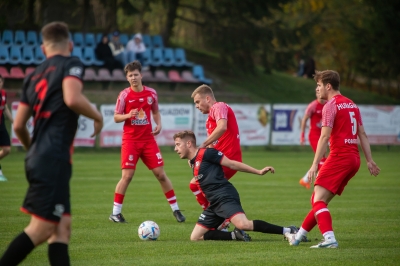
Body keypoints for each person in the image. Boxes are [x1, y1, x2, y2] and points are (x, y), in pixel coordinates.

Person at [0, 21, 103, 265]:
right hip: (53, 157)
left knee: (61, 229)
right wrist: (97, 116)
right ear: (70, 45)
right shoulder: (71, 63)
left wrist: (32, 150)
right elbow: (72, 97)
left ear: (43, 49)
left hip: (41, 156)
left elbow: (17, 126)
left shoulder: (33, 75)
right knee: (41, 229)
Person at [284, 70, 380, 248]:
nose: (317, 89)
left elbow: (324, 137)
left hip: (339, 157)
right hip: (354, 160)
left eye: (319, 85)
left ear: (328, 86)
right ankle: (298, 238)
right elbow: (362, 133)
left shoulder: (330, 105)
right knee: (320, 201)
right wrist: (369, 160)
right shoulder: (352, 104)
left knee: (317, 201)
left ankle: (329, 239)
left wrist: (314, 165)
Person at [173, 130, 300, 241]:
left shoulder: (207, 153)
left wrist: (259, 171)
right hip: (214, 204)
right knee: (195, 237)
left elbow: (232, 164)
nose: (175, 149)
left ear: (189, 143)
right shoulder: (194, 161)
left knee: (244, 224)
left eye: (178, 145)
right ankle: (234, 235)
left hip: (224, 196)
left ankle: (289, 230)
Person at [109, 60, 185, 223]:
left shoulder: (151, 93)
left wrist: (159, 124)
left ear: (141, 75)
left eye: (136, 74)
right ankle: (115, 213)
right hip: (131, 141)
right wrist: (128, 115)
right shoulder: (124, 95)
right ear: (127, 78)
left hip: (148, 140)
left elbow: (156, 112)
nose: (133, 78)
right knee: (127, 176)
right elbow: (116, 117)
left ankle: (176, 210)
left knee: (161, 175)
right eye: (130, 76)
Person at [191, 85, 242, 229]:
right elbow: (211, 148)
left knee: (196, 184)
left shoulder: (218, 107)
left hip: (228, 160)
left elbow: (222, 127)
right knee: (195, 185)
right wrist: (198, 158)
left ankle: (221, 219)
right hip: (219, 161)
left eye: (197, 102)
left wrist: (202, 145)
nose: (196, 106)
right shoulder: (209, 120)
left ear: (207, 98)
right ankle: (220, 218)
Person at [299, 90, 327, 189]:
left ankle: (305, 180)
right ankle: (321, 182)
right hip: (314, 135)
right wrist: (302, 135)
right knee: (323, 160)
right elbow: (304, 120)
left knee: (321, 159)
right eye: (317, 92)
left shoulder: (328, 105)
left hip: (324, 135)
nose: (319, 94)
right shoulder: (313, 105)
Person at [0, 75, 13, 181]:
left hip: (1, 124)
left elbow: (5, 108)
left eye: (0, 82)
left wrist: (13, 121)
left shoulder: (3, 93)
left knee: (7, 149)